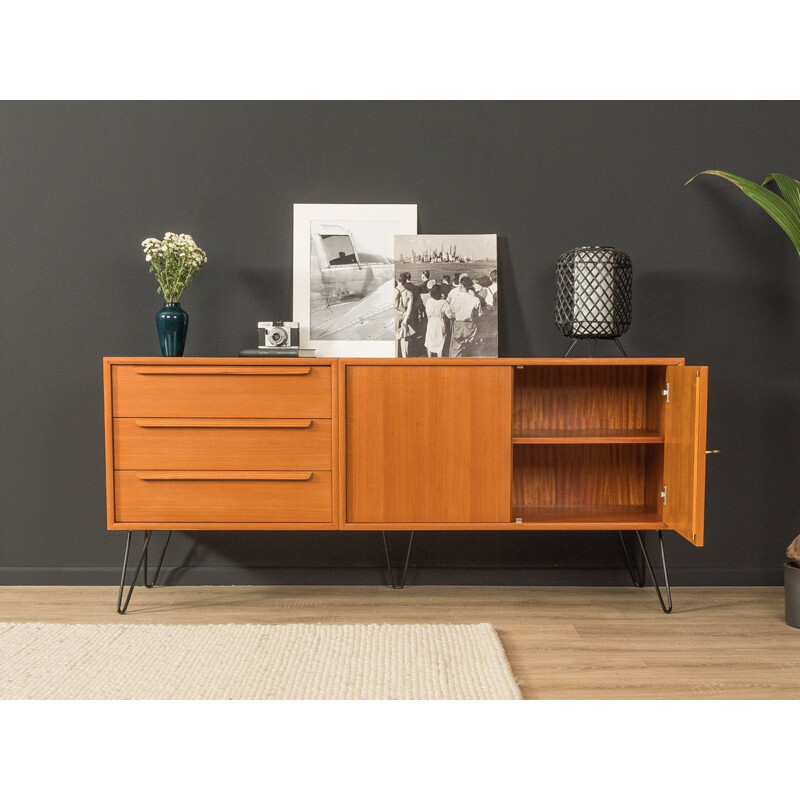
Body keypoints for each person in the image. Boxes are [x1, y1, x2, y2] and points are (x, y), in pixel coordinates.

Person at [444, 276, 481, 357]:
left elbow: (449, 313)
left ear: (461, 285)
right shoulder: (475, 299)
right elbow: (479, 314)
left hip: (458, 324)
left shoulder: (455, 299)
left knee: (456, 348)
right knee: (470, 348)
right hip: (470, 325)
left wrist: (456, 315)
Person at [395, 272, 425, 357]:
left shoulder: (397, 290)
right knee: (407, 337)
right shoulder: (412, 291)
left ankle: (398, 355)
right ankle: (407, 355)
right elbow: (414, 306)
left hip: (399, 315)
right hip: (409, 315)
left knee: (398, 335)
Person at [423, 284, 448, 357]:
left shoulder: (429, 301)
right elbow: (447, 315)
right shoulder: (444, 302)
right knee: (440, 345)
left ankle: (429, 360)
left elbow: (428, 316)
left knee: (429, 343)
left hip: (431, 322)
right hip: (440, 322)